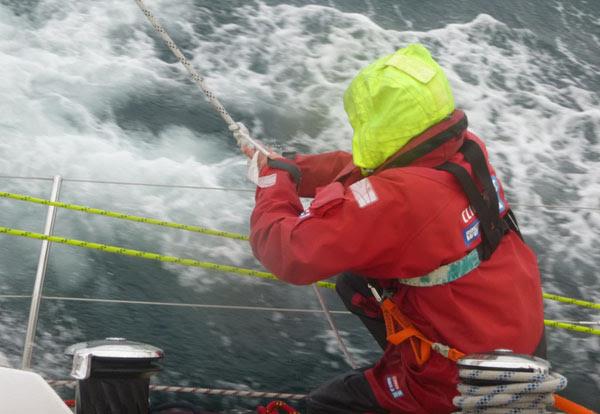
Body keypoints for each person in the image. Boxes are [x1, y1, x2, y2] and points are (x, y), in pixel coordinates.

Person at [237, 44, 546, 414]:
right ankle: (411, 358)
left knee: (324, 406)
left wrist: (273, 184)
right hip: (518, 333)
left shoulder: (397, 199)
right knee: (354, 283)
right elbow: (371, 173)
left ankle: (413, 382)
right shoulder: (461, 147)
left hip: (460, 380)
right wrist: (294, 169)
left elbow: (291, 253)